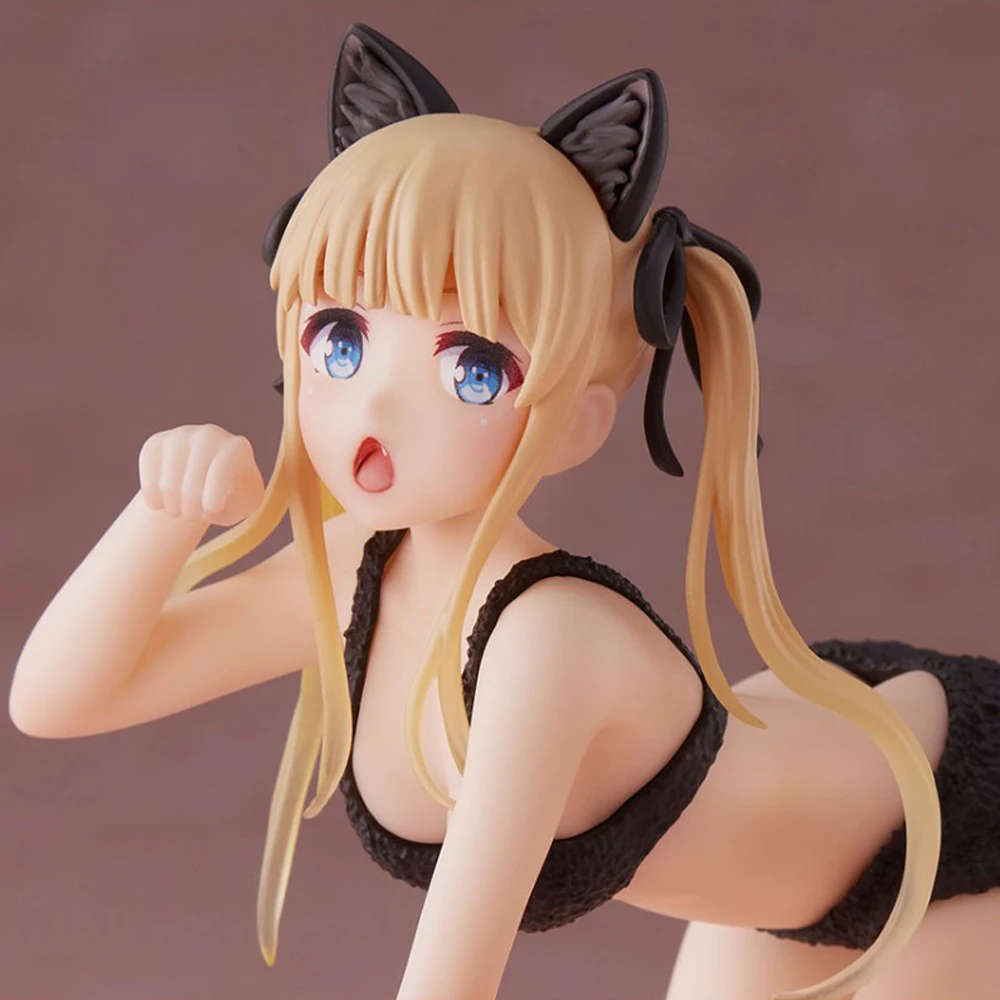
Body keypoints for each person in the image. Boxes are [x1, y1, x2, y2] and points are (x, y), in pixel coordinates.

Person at [10, 22, 999, 1000]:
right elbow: (54, 703)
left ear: (576, 426)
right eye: (340, 340)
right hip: (802, 840)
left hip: (952, 836)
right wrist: (161, 516)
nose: (373, 406)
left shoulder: (548, 641)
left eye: (473, 368)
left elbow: (453, 978)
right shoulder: (356, 566)